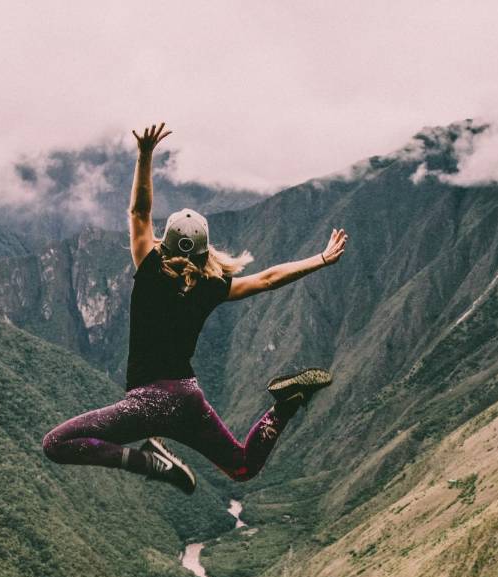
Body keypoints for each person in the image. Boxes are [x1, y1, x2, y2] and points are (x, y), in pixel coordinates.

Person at [42, 122, 348, 494]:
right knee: (242, 466)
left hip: (147, 403)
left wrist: (144, 155)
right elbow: (268, 279)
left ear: (165, 243)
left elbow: (140, 212)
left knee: (56, 444)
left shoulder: (151, 268)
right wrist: (320, 259)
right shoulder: (211, 286)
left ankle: (148, 462)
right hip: (188, 398)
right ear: (206, 250)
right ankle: (284, 406)